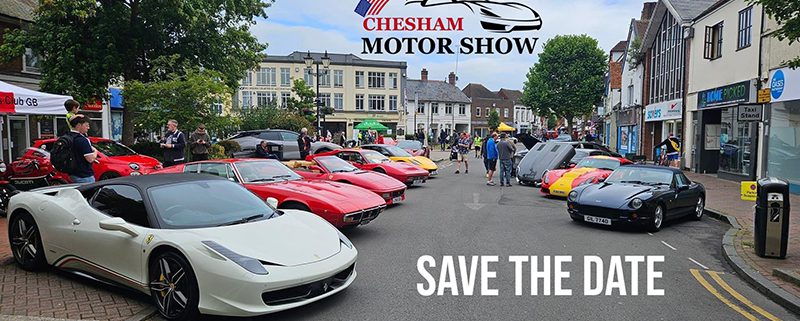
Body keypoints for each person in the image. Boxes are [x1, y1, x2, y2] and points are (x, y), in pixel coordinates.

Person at [67, 117, 98, 183]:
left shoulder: (68, 136)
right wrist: (95, 151)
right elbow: (90, 159)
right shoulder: (82, 140)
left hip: (72, 174)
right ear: (79, 125)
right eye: (86, 125)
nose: (88, 128)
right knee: (89, 193)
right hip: (84, 176)